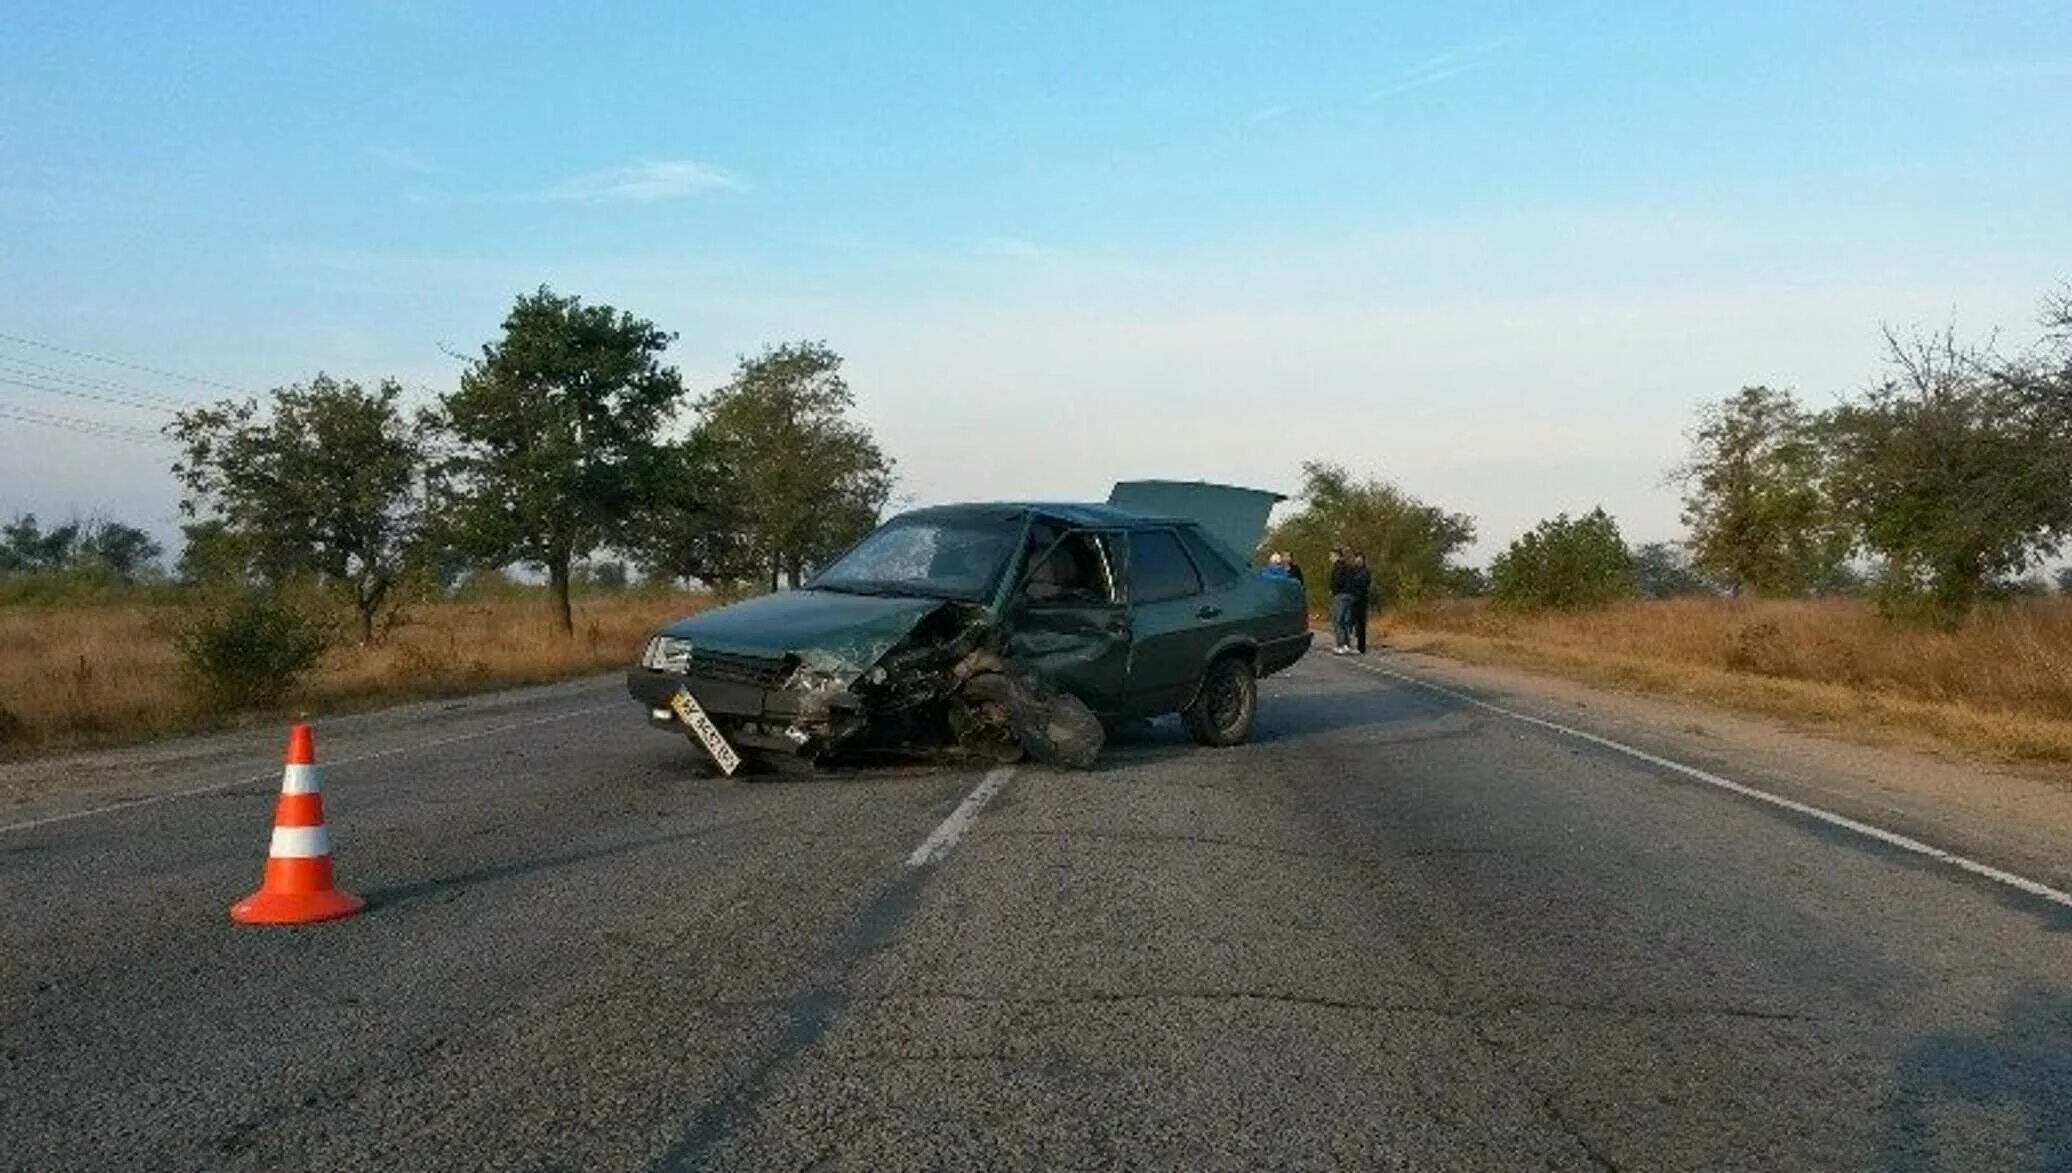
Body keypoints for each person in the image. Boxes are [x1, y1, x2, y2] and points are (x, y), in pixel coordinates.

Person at [1327, 548, 1356, 655]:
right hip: (1350, 595)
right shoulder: (1349, 566)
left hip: (1340, 595)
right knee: (1345, 621)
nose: (1330, 558)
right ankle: (1347, 645)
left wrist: (1332, 589)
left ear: (1336, 556)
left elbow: (1338, 580)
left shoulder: (1338, 566)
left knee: (1337, 620)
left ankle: (1341, 645)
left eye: (1331, 556)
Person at [1348, 552, 1373, 654]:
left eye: (1359, 559)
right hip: (1354, 600)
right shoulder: (1355, 571)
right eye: (1356, 559)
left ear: (1363, 560)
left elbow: (1363, 585)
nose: (1357, 561)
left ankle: (1361, 647)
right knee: (1355, 624)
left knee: (1361, 624)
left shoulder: (1365, 572)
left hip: (1361, 600)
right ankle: (1357, 645)